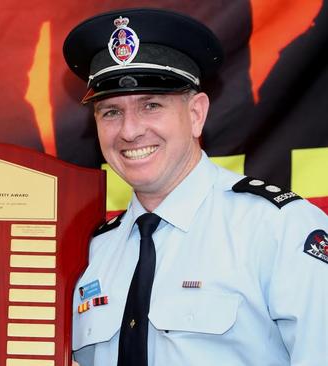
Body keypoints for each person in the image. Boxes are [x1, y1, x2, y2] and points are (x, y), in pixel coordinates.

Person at [63, 8, 328, 366]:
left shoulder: (279, 230)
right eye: (110, 112)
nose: (129, 131)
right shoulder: (95, 250)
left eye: (151, 105)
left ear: (196, 114)